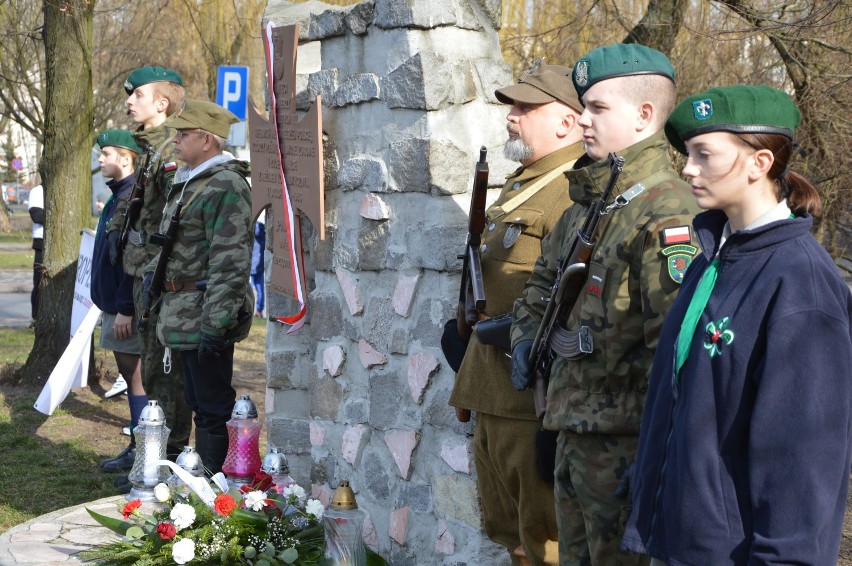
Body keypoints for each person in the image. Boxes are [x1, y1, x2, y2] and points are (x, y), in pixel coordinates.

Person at [621, 85, 852, 564]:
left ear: (759, 163)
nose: (688, 168)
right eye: (688, 154)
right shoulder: (712, 255)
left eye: (705, 154)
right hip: (676, 540)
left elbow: (803, 459)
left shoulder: (800, 284)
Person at [510, 43, 702, 564]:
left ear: (644, 115)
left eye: (597, 109)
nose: (583, 120)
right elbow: (540, 287)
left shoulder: (666, 214)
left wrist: (663, 455)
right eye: (583, 107)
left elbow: (676, 351)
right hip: (572, 430)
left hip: (628, 444)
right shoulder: (586, 205)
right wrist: (527, 341)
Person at [445, 61, 585, 566]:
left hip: (531, 396)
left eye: (526, 108)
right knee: (515, 539)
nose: (512, 116)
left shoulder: (571, 189)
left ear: (567, 121)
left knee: (546, 542)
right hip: (493, 386)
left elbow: (564, 303)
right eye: (511, 106)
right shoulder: (526, 181)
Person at [146, 99, 254, 474]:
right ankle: (202, 481)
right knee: (197, 400)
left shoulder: (225, 184)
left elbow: (230, 262)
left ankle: (216, 490)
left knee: (212, 406)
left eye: (184, 134)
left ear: (207, 139)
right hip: (183, 312)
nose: (175, 140)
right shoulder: (193, 180)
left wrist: (215, 324)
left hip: (205, 312)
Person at [109, 66, 192, 464]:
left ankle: (169, 462)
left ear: (162, 103)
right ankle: (153, 458)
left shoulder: (173, 150)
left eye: (137, 94)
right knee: (156, 376)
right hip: (148, 278)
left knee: (166, 376)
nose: (129, 102)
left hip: (164, 281)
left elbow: (175, 223)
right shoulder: (153, 148)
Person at [92, 130, 147, 475]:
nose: (100, 160)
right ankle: (139, 448)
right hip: (114, 303)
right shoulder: (118, 194)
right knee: (131, 376)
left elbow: (133, 256)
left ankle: (143, 452)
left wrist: (126, 306)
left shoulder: (132, 196)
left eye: (106, 153)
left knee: (136, 377)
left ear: (125, 157)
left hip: (123, 306)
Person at [27, 181, 43, 320]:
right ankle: (36, 317)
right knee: (39, 283)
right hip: (41, 243)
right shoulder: (37, 191)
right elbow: (37, 215)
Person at [252, 210, 266, 317]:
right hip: (257, 265)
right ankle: (259, 311)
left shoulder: (255, 228)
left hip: (253, 265)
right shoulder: (261, 228)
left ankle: (258, 310)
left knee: (258, 289)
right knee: (259, 289)